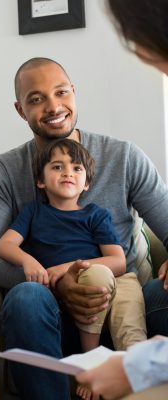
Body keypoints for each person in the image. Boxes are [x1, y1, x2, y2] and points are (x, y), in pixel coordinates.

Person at [0, 55, 168, 399]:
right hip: (47, 311)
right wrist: (55, 282)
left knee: (161, 291)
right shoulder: (3, 171)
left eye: (61, 92)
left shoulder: (123, 157)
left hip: (121, 299)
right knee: (27, 297)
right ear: (20, 110)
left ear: (74, 93)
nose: (53, 106)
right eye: (36, 99)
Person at [0, 138, 146, 399]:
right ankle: (89, 367)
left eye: (77, 168)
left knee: (103, 285)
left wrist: (65, 268)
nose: (67, 172)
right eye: (57, 167)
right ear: (40, 181)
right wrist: (28, 261)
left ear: (87, 183)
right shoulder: (33, 213)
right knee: (82, 279)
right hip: (59, 303)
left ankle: (114, 373)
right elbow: (5, 245)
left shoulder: (95, 214)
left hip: (104, 284)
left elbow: (118, 261)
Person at [75, 1, 168, 399]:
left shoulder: (121, 162)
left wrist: (140, 365)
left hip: (122, 279)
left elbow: (118, 257)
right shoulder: (24, 198)